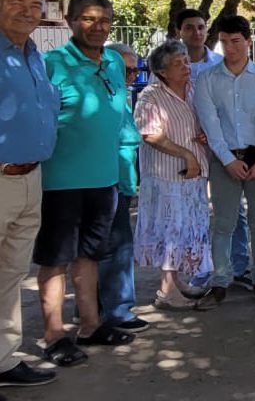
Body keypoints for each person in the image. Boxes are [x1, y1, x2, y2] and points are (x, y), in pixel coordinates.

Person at [35, 0, 135, 368]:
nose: (98, 27)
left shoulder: (112, 60)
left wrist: (125, 167)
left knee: (90, 255)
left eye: (105, 20)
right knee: (55, 260)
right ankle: (54, 334)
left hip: (104, 178)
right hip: (60, 181)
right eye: (89, 19)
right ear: (70, 20)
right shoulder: (51, 63)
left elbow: (120, 114)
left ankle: (91, 324)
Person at [193, 15, 255, 310]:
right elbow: (210, 122)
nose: (230, 48)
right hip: (224, 158)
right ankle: (220, 282)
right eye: (224, 42)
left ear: (248, 41)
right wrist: (228, 160)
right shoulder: (207, 78)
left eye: (236, 41)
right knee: (223, 222)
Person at [0, 0, 58, 387]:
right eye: (18, 2)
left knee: (10, 274)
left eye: (35, 5)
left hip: (30, 177)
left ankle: (3, 360)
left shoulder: (35, 54)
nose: (28, 11)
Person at [132, 40, 213, 311]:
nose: (185, 66)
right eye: (177, 64)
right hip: (167, 175)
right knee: (171, 230)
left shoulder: (192, 90)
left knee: (188, 229)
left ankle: (176, 283)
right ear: (162, 71)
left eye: (185, 61)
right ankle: (166, 291)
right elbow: (149, 133)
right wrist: (185, 154)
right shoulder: (151, 95)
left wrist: (202, 137)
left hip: (193, 175)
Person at [175, 8, 250, 292]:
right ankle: (200, 269)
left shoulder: (220, 63)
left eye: (201, 27)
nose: (196, 33)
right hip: (185, 149)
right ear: (179, 31)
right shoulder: (172, 63)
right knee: (194, 211)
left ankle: (239, 265)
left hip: (220, 148)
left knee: (234, 211)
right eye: (189, 27)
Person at [95, 42, 150, 332]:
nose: (132, 76)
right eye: (126, 70)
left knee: (111, 245)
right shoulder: (106, 96)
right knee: (116, 247)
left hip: (121, 181)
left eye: (135, 70)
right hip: (106, 180)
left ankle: (97, 308)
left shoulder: (120, 95)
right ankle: (117, 311)